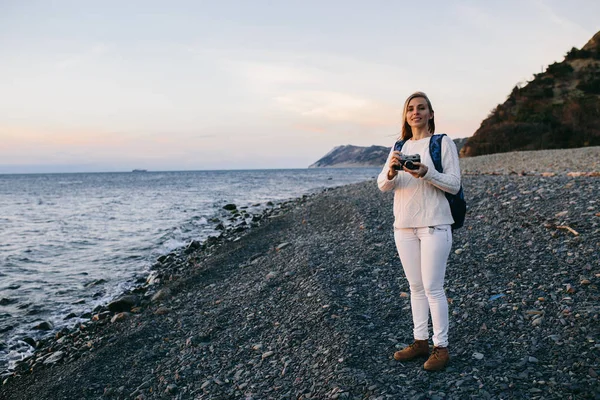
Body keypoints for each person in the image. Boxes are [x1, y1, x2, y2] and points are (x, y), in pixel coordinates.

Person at [377, 91, 461, 371]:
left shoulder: (442, 142)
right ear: (406, 115)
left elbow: (454, 185)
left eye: (421, 108)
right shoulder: (399, 145)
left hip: (435, 224)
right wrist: (391, 171)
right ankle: (420, 341)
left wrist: (425, 171)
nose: (416, 112)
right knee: (415, 287)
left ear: (430, 114)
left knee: (433, 287)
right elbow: (383, 185)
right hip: (404, 226)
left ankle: (441, 347)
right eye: (411, 108)